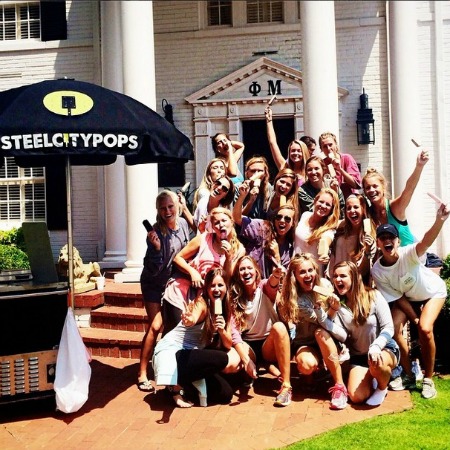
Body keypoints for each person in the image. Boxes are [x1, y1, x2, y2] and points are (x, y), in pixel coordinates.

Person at [371, 203, 449, 399]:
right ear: (378, 243)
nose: (387, 241)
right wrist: (414, 317)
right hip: (408, 298)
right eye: (383, 238)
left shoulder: (409, 253)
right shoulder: (377, 270)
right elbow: (398, 297)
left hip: (432, 292)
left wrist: (440, 220)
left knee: (425, 329)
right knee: (394, 328)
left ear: (398, 241)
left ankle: (428, 379)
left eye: (391, 237)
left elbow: (426, 241)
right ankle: (409, 374)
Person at [153, 267, 241, 407]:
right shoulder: (202, 303)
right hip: (175, 353)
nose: (216, 289)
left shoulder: (226, 308)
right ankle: (174, 387)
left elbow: (228, 344)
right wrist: (189, 319)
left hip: (194, 356)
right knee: (222, 358)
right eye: (212, 286)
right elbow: (193, 318)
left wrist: (222, 330)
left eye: (220, 285)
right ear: (207, 289)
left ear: (226, 287)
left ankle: (185, 385)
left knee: (226, 394)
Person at [277, 253, 349, 410]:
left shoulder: (325, 285)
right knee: (306, 365)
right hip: (307, 342)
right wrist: (333, 309)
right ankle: (319, 371)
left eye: (310, 270)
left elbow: (329, 325)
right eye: (302, 272)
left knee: (321, 334)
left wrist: (334, 307)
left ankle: (339, 386)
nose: (308, 275)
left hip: (327, 337)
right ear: (295, 276)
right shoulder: (297, 300)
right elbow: (323, 322)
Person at [137, 190, 192, 392]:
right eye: (163, 208)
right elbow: (153, 269)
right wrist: (157, 249)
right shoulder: (155, 233)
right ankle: (142, 372)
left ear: (177, 206)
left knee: (173, 324)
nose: (167, 211)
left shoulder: (183, 225)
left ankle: (164, 365)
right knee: (156, 325)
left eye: (170, 206)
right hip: (153, 283)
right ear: (158, 210)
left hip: (172, 283)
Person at [163, 207, 245, 334]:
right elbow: (178, 258)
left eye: (224, 220)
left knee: (199, 331)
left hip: (213, 294)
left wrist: (229, 258)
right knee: (176, 329)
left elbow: (227, 279)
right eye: (216, 222)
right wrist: (193, 272)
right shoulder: (204, 238)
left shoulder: (239, 249)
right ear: (212, 226)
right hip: (187, 289)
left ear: (231, 221)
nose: (221, 225)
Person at [331, 261, 399, 406]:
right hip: (360, 356)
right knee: (356, 397)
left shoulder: (374, 295)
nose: (338, 279)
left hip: (384, 349)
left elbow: (389, 328)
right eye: (335, 276)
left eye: (343, 276)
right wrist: (324, 315)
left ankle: (382, 387)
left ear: (354, 277)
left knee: (377, 363)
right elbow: (342, 335)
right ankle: (374, 376)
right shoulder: (338, 305)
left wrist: (376, 346)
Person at [230, 255, 293, 407]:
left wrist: (276, 275)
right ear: (238, 274)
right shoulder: (234, 296)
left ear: (256, 271)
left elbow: (272, 284)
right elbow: (234, 333)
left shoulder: (263, 287)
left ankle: (286, 386)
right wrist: (246, 360)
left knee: (279, 327)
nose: (246, 272)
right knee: (233, 358)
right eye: (242, 269)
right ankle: (255, 367)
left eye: (249, 268)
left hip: (268, 344)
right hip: (249, 345)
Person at [362, 148, 430, 246]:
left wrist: (419, 166)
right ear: (364, 191)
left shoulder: (394, 207)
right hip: (389, 255)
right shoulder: (368, 214)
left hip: (409, 253)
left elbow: (409, 189)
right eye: (368, 188)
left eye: (375, 186)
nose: (371, 190)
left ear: (383, 186)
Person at [233, 181, 296, 277]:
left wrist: (277, 256)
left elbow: (283, 277)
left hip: (270, 285)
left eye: (287, 219)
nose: (282, 221)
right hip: (251, 279)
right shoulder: (262, 227)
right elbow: (237, 218)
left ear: (292, 224)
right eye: (278, 217)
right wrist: (242, 196)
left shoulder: (289, 248)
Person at [328, 194, 376, 285]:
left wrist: (367, 251)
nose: (352, 211)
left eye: (356, 207)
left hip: (357, 285)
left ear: (363, 209)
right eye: (348, 208)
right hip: (337, 282)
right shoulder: (340, 228)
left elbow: (363, 271)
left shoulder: (369, 236)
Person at [294, 188, 340, 274]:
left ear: (331, 209)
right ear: (315, 201)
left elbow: (325, 240)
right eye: (321, 202)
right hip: (294, 268)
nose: (323, 206)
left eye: (328, 204)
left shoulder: (328, 229)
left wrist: (324, 253)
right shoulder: (305, 215)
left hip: (311, 274)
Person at [264, 105, 310, 186]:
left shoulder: (310, 170)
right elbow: (272, 143)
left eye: (299, 151)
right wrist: (269, 121)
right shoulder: (284, 167)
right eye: (293, 151)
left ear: (304, 152)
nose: (295, 153)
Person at [318, 131, 362, 199]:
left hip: (348, 199)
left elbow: (356, 185)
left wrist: (340, 169)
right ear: (321, 149)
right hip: (332, 199)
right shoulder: (322, 164)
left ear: (336, 144)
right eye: (325, 146)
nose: (328, 148)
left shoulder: (346, 158)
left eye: (330, 145)